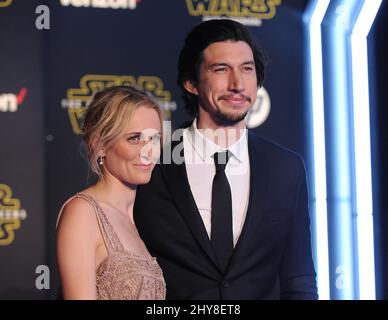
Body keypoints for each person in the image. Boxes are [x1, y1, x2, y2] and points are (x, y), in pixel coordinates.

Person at [134, 19, 318, 299]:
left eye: (247, 69)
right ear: (191, 83)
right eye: (221, 70)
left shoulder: (286, 168)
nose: (237, 84)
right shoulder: (152, 161)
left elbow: (299, 281)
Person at [56, 85, 166, 300]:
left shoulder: (139, 218)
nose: (148, 151)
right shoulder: (83, 212)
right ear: (100, 145)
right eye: (134, 138)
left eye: (154, 138)